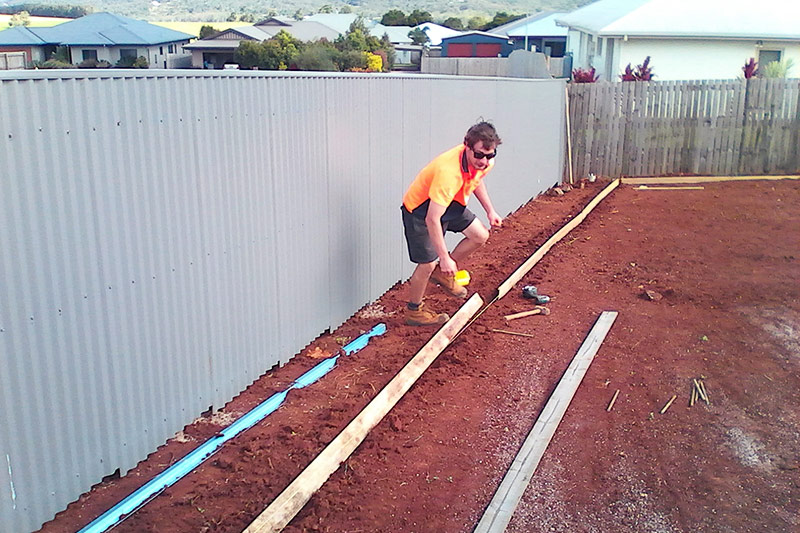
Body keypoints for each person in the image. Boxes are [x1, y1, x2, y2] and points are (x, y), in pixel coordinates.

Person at [401, 121, 503, 326]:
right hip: (421, 210)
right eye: (480, 155)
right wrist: (444, 257)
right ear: (467, 146)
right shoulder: (448, 173)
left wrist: (490, 211)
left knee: (480, 235)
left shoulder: (483, 163)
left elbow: (477, 179)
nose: (484, 161)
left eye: (490, 155)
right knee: (427, 263)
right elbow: (432, 218)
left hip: (451, 203)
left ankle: (442, 273)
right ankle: (415, 310)